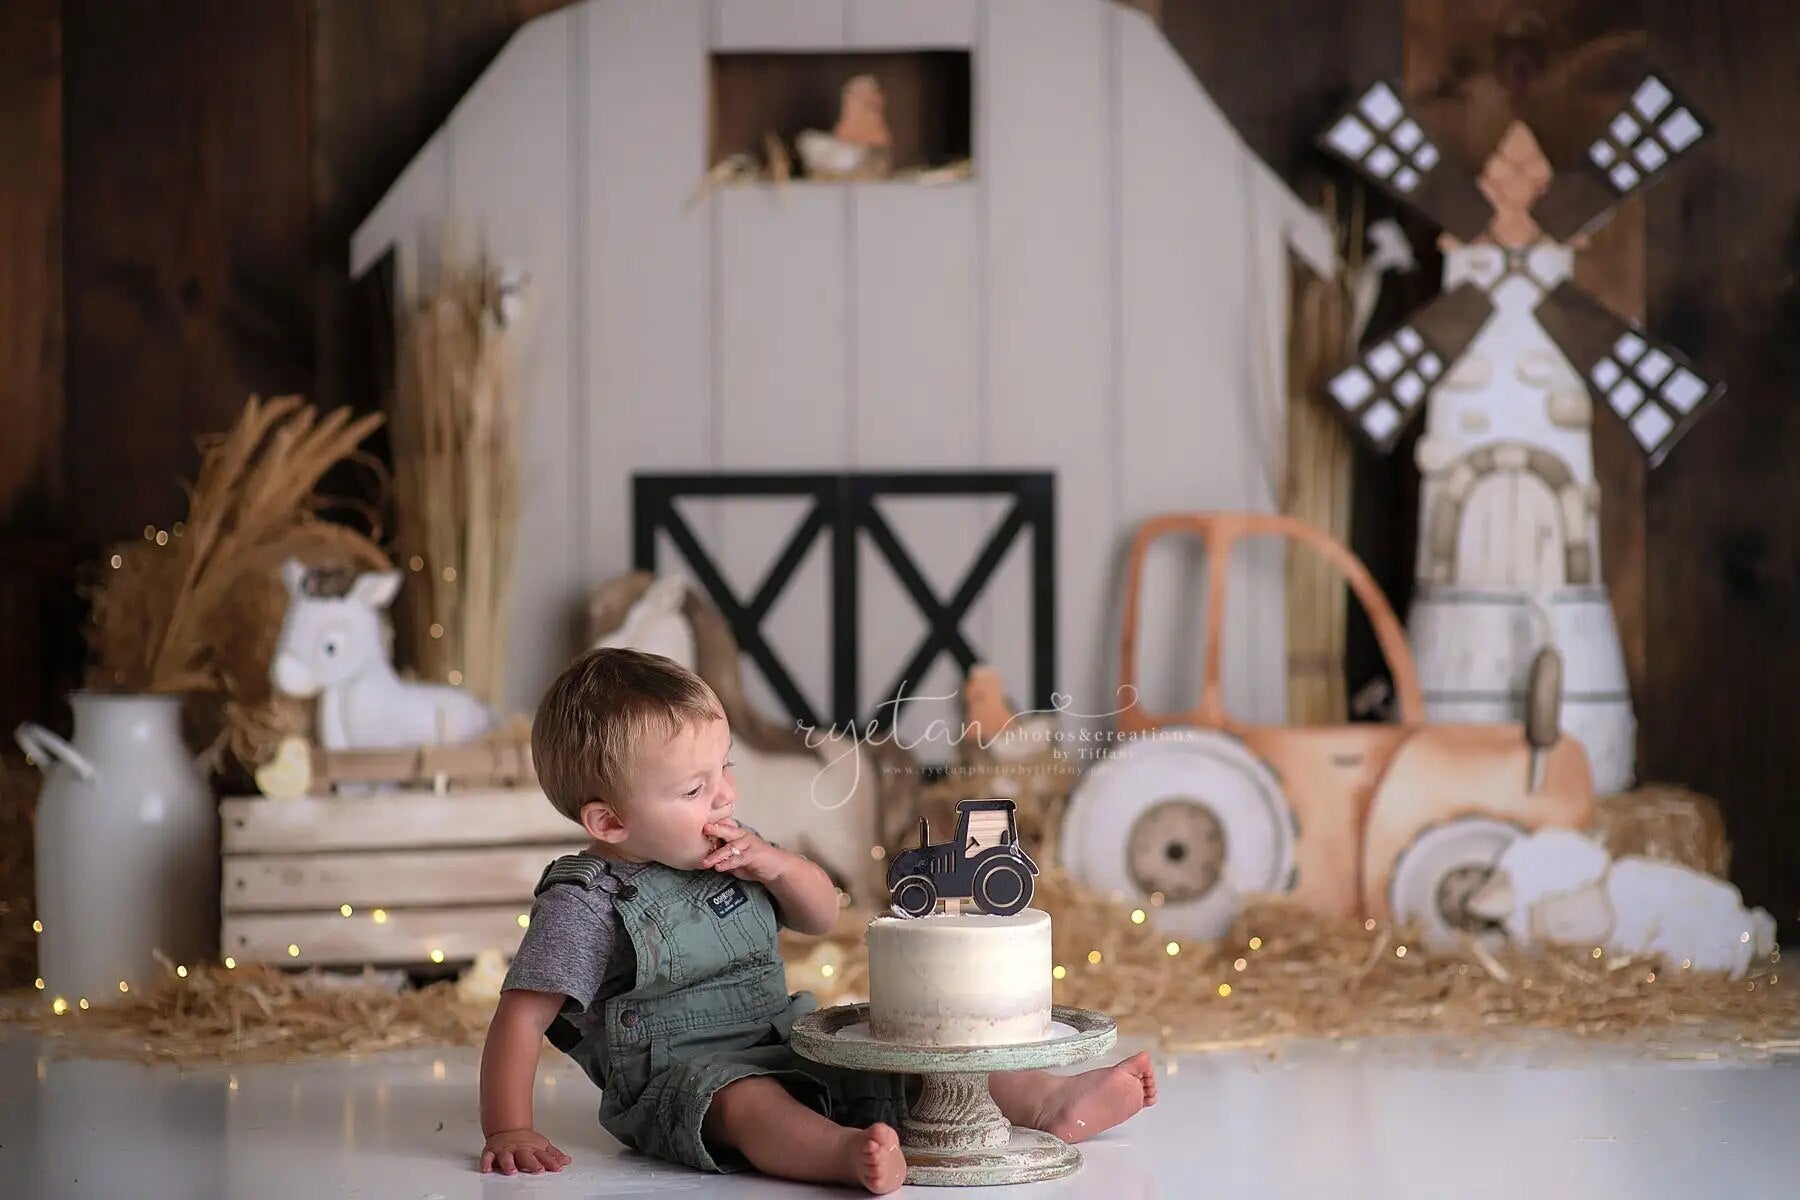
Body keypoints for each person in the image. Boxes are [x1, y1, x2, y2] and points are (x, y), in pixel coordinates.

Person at [478, 646, 1156, 1193]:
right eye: (693, 789)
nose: (724, 796)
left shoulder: (735, 845)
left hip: (784, 1037)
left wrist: (775, 865)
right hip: (683, 1082)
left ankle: (1043, 1101)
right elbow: (522, 1016)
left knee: (904, 1055)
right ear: (609, 821)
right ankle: (840, 1155)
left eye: (725, 770)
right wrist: (508, 1129)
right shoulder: (587, 902)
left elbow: (822, 913)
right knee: (748, 1104)